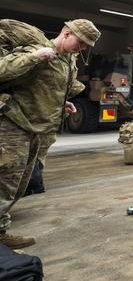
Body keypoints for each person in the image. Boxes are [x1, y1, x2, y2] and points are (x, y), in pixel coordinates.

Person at [0, 19, 100, 248]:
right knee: (4, 183)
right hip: (14, 124)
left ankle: (1, 231)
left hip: (38, 128)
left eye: (86, 46)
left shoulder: (67, 61)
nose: (82, 48)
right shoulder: (37, 49)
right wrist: (33, 58)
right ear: (66, 33)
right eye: (81, 42)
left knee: (19, 185)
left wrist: (63, 105)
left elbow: (45, 89)